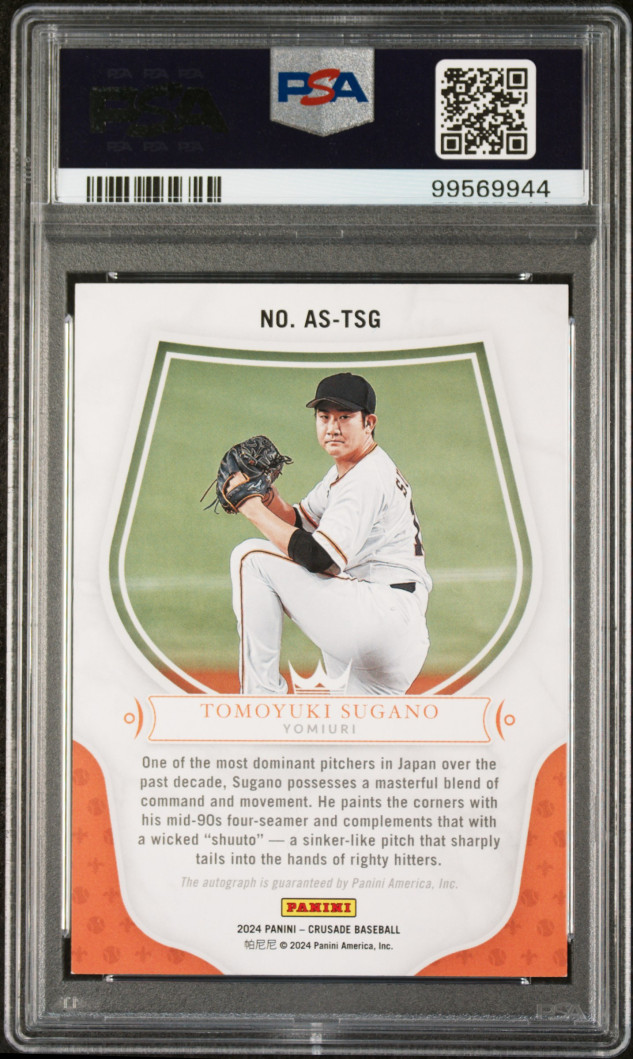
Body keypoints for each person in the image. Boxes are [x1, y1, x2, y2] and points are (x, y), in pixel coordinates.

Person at [227, 372, 432, 695]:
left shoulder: (365, 478)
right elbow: (301, 523)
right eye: (324, 417)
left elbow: (319, 557)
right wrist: (266, 497)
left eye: (344, 417)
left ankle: (260, 698)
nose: (332, 427)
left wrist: (249, 506)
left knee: (249, 558)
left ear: (369, 423)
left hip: (378, 614)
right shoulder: (354, 469)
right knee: (350, 726)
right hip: (393, 631)